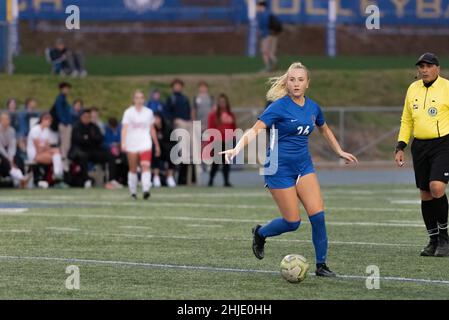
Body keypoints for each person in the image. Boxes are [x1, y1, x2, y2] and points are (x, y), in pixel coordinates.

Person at [220, 62, 358, 277]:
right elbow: (255, 131)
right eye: (292, 79)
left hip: (304, 167)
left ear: (307, 84)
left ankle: (321, 265)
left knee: (318, 217)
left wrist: (339, 150)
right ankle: (261, 233)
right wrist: (236, 148)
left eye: (300, 80)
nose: (296, 84)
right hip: (278, 168)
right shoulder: (278, 106)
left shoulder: (313, 107)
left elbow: (325, 129)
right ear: (287, 82)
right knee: (293, 222)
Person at [395, 52, 449, 257]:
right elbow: (406, 120)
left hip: (443, 143)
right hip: (420, 147)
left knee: (437, 187)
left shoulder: (446, 87)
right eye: (421, 66)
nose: (424, 70)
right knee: (425, 194)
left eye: (428, 66)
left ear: (437, 68)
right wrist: (400, 146)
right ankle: (433, 240)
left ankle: (445, 238)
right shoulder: (413, 88)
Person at [121, 90, 161, 199]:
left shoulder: (148, 112)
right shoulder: (128, 112)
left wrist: (156, 144)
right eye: (137, 97)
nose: (139, 100)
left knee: (145, 165)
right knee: (133, 168)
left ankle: (146, 189)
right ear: (133, 99)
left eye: (141, 97)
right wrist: (123, 142)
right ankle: (133, 192)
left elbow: (152, 129)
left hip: (145, 142)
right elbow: (124, 129)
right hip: (132, 142)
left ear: (144, 99)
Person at [68, 109, 122, 189]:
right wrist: (90, 139)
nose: (86, 118)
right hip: (80, 150)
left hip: (93, 150)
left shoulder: (93, 126)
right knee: (83, 156)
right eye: (84, 117)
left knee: (110, 156)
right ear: (81, 117)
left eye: (88, 117)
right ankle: (86, 180)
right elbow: (78, 140)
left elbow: (100, 138)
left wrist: (88, 138)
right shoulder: (76, 126)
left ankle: (112, 180)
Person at [166, 79, 197, 185]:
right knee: (183, 148)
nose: (177, 87)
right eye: (176, 86)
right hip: (179, 122)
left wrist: (191, 120)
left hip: (187, 122)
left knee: (193, 146)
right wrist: (173, 121)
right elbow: (168, 113)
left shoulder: (184, 98)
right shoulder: (171, 98)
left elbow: (189, 111)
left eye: (179, 85)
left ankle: (192, 172)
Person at [207, 93, 236, 187]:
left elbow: (234, 128)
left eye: (224, 101)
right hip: (218, 141)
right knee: (216, 163)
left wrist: (234, 140)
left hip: (228, 141)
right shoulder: (213, 115)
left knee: (226, 162)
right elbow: (210, 129)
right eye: (221, 102)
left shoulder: (230, 114)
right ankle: (211, 180)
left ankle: (226, 181)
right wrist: (210, 143)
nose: (222, 103)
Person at [27, 113, 64, 181]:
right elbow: (38, 149)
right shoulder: (35, 130)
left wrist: (46, 149)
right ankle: (57, 175)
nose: (50, 123)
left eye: (50, 121)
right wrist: (45, 149)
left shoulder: (46, 130)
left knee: (57, 152)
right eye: (49, 121)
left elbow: (47, 147)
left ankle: (57, 174)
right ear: (43, 120)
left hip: (42, 152)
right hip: (35, 155)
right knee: (56, 158)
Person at [50, 82, 73, 169]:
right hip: (64, 125)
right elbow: (59, 112)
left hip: (66, 123)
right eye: (65, 88)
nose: (67, 90)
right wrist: (65, 122)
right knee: (64, 144)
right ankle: (63, 163)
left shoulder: (63, 99)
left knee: (66, 144)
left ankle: (64, 161)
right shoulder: (60, 99)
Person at [0, 112, 27, 188]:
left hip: (9, 153)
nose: (7, 121)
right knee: (4, 162)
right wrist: (8, 159)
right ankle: (21, 178)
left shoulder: (12, 130)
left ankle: (19, 179)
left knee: (19, 160)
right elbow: (1, 147)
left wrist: (11, 158)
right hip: (1, 153)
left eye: (8, 119)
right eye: (5, 119)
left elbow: (12, 146)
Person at [152, 112, 177, 188]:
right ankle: (156, 177)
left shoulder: (168, 127)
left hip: (167, 149)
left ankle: (170, 177)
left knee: (173, 153)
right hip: (156, 150)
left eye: (157, 118)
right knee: (154, 152)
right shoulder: (151, 128)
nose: (156, 120)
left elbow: (173, 142)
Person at [257, 1, 282, 72]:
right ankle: (275, 66)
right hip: (274, 35)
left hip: (266, 35)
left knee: (264, 52)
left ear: (261, 6)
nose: (257, 8)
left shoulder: (263, 14)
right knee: (271, 53)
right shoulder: (270, 13)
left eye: (258, 6)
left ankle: (267, 67)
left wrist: (262, 34)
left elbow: (263, 26)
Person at [104, 117, 128, 186]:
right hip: (110, 151)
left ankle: (124, 179)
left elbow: (122, 140)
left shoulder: (120, 130)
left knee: (125, 159)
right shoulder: (106, 131)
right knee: (112, 158)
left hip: (120, 150)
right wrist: (111, 145)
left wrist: (119, 145)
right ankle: (113, 179)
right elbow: (104, 143)